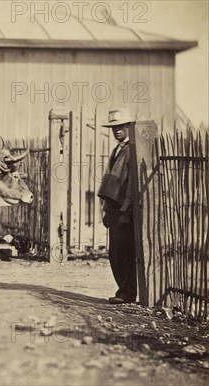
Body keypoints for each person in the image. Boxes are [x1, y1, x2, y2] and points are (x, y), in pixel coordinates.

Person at [97, 108, 137, 304]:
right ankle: (123, 290)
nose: (117, 130)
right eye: (114, 127)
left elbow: (131, 185)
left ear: (129, 127)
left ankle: (127, 293)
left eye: (121, 127)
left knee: (125, 252)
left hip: (124, 209)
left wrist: (125, 212)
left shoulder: (132, 150)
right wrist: (106, 210)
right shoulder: (117, 150)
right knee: (114, 253)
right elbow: (113, 182)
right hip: (113, 207)